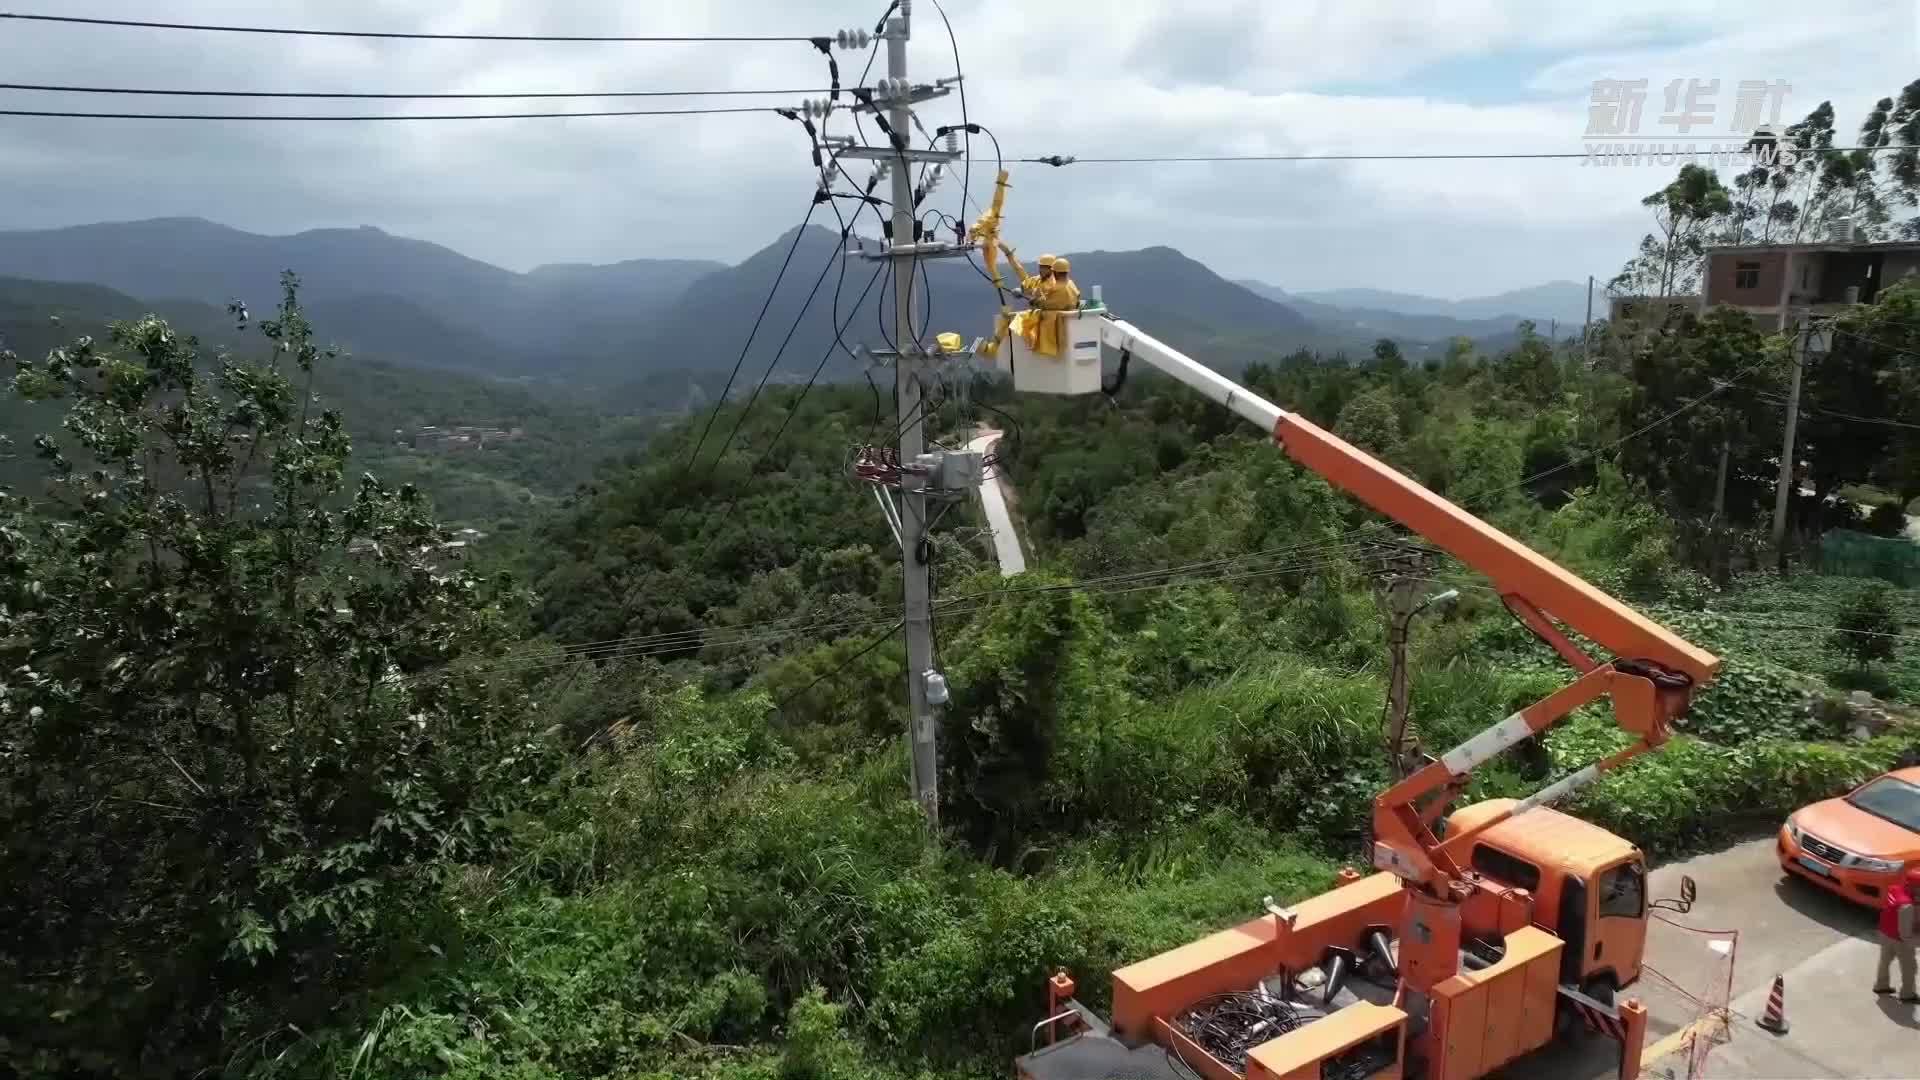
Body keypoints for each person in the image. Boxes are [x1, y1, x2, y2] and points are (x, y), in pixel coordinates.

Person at [1875, 865, 1920, 1002]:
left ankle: (1881, 985)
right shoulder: (1907, 906)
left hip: (1884, 932)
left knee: (1885, 961)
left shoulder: (1894, 889)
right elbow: (1905, 935)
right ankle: (1908, 994)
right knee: (1909, 967)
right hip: (1899, 940)